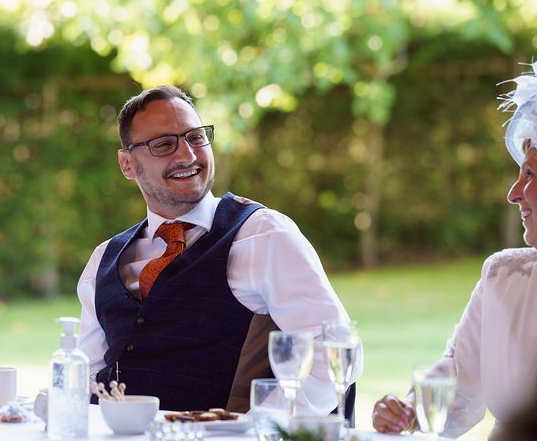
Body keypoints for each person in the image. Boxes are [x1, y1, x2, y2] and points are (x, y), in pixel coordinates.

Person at [77, 85, 359, 413]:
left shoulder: (264, 236)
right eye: (164, 144)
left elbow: (332, 354)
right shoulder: (103, 260)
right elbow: (84, 376)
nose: (187, 155)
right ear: (127, 164)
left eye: (196, 137)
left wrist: (256, 428)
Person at [372, 66, 537, 439]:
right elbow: (459, 377)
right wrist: (412, 411)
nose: (514, 193)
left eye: (529, 175)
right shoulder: (503, 276)